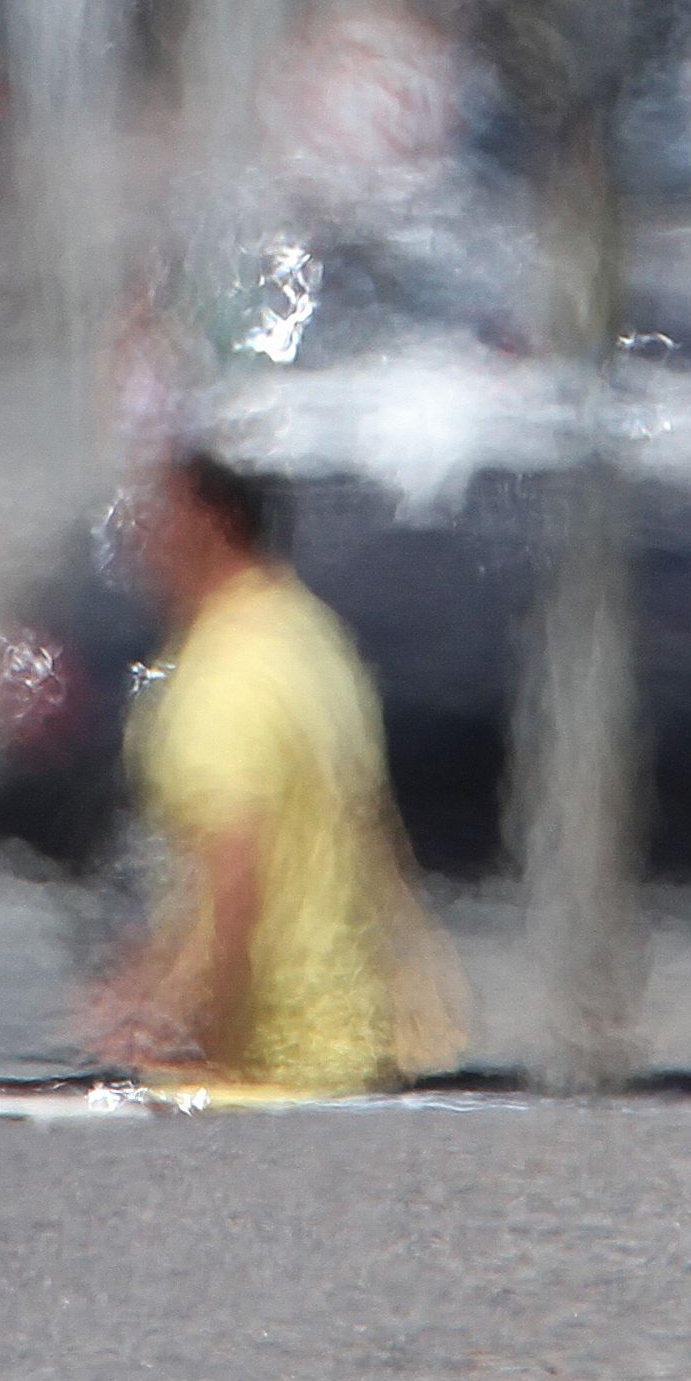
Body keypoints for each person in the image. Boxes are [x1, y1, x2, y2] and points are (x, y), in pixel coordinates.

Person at [75, 449, 444, 1099]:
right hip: (343, 1050)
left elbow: (234, 869)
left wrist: (199, 1035)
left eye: (155, 517)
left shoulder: (227, 674)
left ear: (213, 522)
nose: (134, 538)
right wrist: (151, 969)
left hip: (258, 1072)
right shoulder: (306, 635)